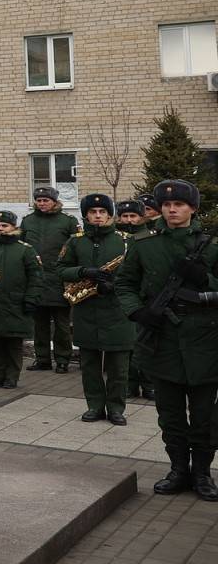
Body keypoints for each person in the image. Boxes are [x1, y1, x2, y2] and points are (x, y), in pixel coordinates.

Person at [117, 179, 218, 499]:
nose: (172, 210)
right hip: (161, 342)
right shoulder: (144, 244)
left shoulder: (212, 245)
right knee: (170, 415)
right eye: (166, 205)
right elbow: (125, 284)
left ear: (192, 208)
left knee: (204, 418)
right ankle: (178, 470)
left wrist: (205, 278)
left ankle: (202, 474)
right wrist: (138, 312)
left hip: (206, 343)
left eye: (180, 205)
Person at [59, 193, 134, 424]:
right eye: (93, 212)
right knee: (90, 366)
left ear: (110, 215)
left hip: (117, 312)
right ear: (86, 215)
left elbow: (136, 273)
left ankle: (116, 409)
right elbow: (60, 269)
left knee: (118, 368)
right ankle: (94, 406)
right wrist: (83, 272)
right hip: (86, 310)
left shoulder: (125, 240)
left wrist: (115, 286)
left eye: (102, 212)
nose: (98, 216)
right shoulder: (75, 241)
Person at [0, 211, 42, 390]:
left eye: (4, 226)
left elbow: (36, 277)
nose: (0, 229)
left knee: (13, 343)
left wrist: (31, 298)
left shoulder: (25, 249)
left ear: (13, 227)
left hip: (16, 303)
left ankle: (12, 377)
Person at [23, 185, 80, 373]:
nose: (42, 204)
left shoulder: (67, 221)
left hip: (59, 280)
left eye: (46, 200)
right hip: (36, 280)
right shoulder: (28, 221)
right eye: (39, 201)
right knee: (39, 325)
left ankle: (63, 359)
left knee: (62, 325)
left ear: (54, 202)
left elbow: (76, 247)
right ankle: (42, 359)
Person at [119, 200, 155, 401]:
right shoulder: (117, 238)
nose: (129, 220)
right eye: (125, 216)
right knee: (128, 347)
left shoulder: (149, 238)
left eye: (133, 216)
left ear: (142, 217)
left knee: (145, 344)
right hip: (125, 298)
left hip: (144, 298)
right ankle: (130, 384)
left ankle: (148, 384)